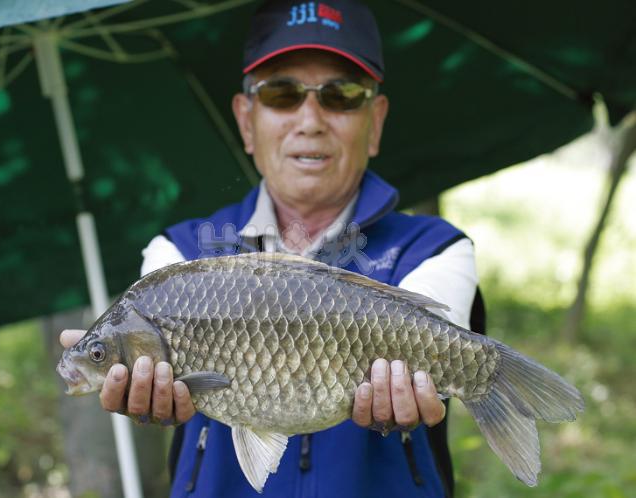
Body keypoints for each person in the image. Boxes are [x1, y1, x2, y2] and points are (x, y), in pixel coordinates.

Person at [61, 1, 480, 496]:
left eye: (341, 95)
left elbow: (443, 334)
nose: (310, 119)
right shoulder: (176, 254)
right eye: (282, 94)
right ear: (245, 120)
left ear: (376, 122)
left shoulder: (436, 249)